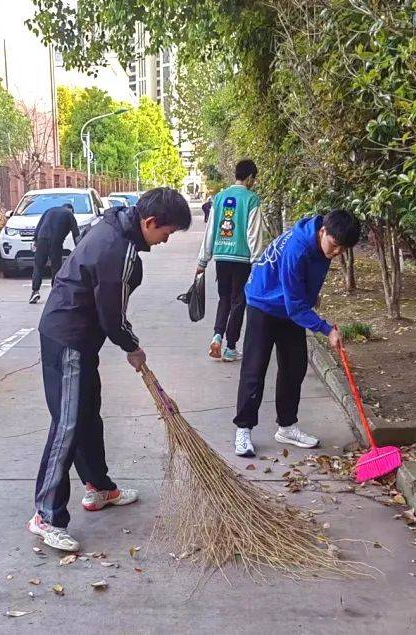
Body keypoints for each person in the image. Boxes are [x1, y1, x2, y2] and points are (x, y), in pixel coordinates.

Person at [29, 187, 192, 552]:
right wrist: (132, 347)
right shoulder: (118, 249)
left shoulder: (116, 227)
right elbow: (112, 316)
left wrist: (124, 341)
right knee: (68, 424)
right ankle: (46, 515)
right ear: (149, 222)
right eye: (165, 234)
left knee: (87, 415)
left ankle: (99, 487)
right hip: (68, 337)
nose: (165, 241)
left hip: (80, 337)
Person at [233, 209, 361, 457]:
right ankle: (244, 429)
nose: (336, 253)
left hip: (292, 306)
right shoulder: (298, 249)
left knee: (295, 367)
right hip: (264, 303)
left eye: (342, 250)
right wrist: (325, 329)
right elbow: (294, 306)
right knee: (255, 368)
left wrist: (312, 296)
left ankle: (287, 426)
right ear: (323, 231)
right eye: (335, 245)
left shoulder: (322, 243)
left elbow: (298, 295)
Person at [196, 159, 264, 363]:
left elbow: (210, 231)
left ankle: (217, 335)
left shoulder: (219, 197)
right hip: (242, 259)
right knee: (238, 302)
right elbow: (253, 233)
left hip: (222, 257)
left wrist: (203, 260)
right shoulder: (252, 199)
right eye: (254, 179)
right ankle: (231, 347)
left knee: (224, 299)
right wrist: (257, 261)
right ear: (250, 177)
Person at [29, 203, 80, 304]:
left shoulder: (49, 210)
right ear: (71, 210)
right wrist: (79, 248)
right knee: (56, 267)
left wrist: (35, 240)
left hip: (42, 239)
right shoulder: (69, 214)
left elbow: (39, 226)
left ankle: (35, 291)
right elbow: (76, 233)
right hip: (56, 241)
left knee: (38, 265)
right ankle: (54, 293)